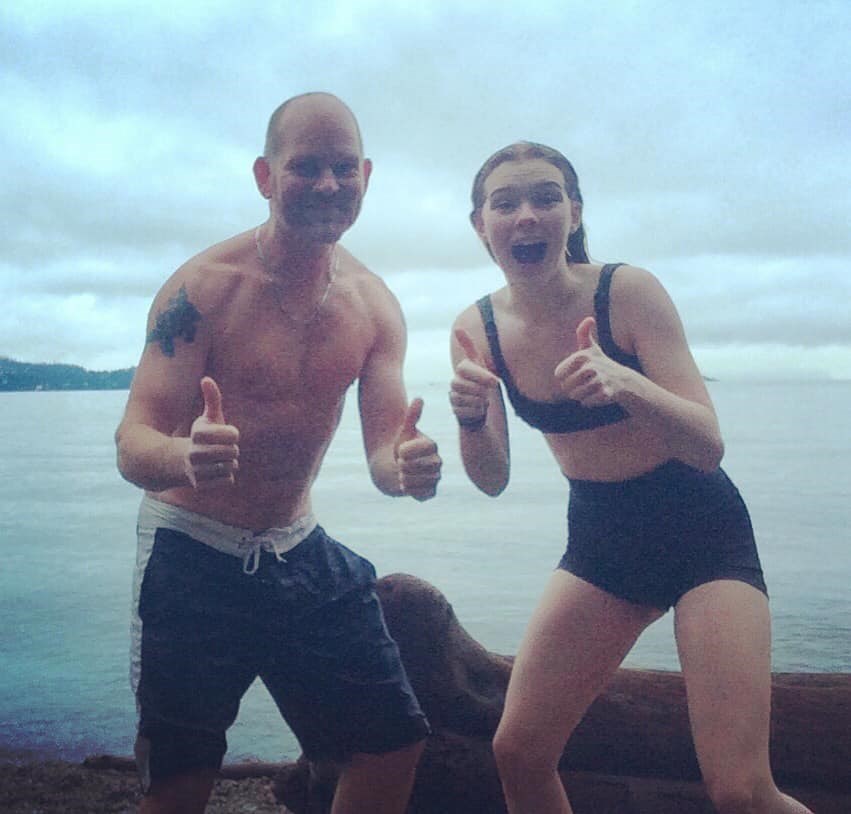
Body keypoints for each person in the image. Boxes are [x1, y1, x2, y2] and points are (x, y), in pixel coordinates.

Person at [449, 141, 812, 814]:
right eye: (505, 203)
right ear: (480, 224)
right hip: (602, 541)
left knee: (739, 790)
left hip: (703, 533)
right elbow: (491, 478)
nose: (525, 215)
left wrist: (626, 385)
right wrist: (471, 420)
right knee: (519, 753)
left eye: (545, 197)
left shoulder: (628, 293)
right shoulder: (477, 328)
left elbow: (707, 445)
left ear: (573, 212)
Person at [115, 92, 442, 814]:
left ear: (366, 175)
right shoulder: (204, 289)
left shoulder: (372, 304)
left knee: (391, 741)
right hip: (190, 550)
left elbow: (385, 453)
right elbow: (132, 443)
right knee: (178, 778)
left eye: (342, 167)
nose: (328, 185)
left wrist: (409, 465)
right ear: (265, 176)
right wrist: (183, 458)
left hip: (297, 547)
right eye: (305, 168)